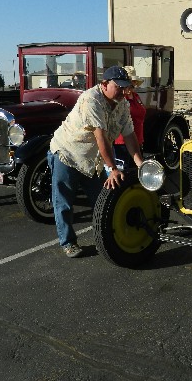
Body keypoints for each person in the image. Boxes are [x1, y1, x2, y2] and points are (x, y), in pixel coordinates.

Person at [47, 66, 143, 258]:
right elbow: (102, 138)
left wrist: (141, 165)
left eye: (126, 87)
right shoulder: (91, 99)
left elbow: (130, 136)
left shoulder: (122, 103)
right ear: (105, 84)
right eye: (119, 87)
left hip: (92, 158)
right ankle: (68, 243)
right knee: (64, 202)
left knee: (102, 201)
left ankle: (104, 239)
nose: (124, 92)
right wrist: (113, 168)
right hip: (68, 153)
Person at [113, 66, 146, 169]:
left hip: (138, 139)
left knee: (136, 170)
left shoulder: (136, 96)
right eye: (131, 82)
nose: (133, 85)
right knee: (123, 171)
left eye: (134, 82)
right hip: (122, 142)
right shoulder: (120, 98)